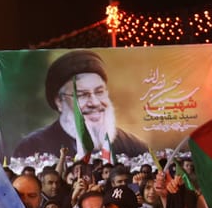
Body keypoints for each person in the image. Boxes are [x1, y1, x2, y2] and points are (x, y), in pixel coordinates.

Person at [12, 50, 149, 161]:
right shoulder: (31, 149)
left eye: (100, 92)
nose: (95, 103)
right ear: (59, 102)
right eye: (82, 95)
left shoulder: (134, 148)